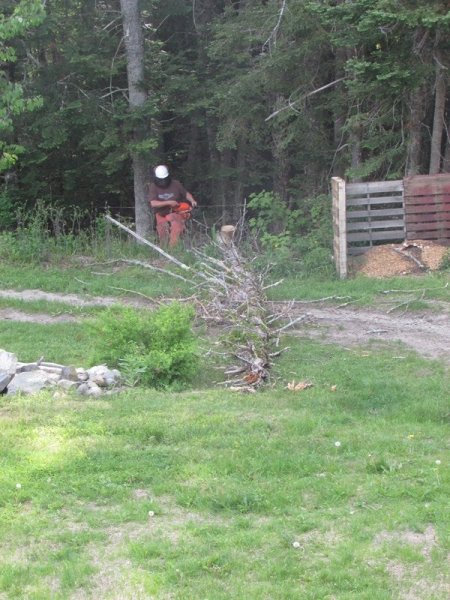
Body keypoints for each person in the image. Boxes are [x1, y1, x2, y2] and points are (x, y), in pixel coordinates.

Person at [148, 165, 197, 247]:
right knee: (162, 231)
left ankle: (173, 250)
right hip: (161, 213)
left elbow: (185, 193)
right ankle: (164, 250)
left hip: (176, 212)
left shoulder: (176, 184)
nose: (163, 181)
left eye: (164, 179)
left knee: (177, 228)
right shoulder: (153, 187)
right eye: (161, 180)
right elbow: (153, 203)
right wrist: (169, 202)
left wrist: (192, 200)